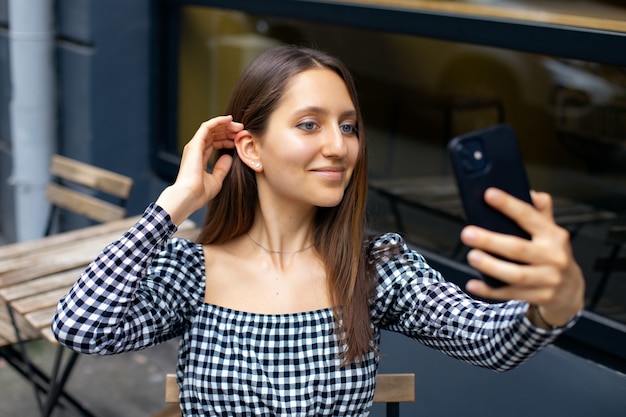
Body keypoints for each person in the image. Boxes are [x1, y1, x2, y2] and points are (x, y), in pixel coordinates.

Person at [52, 45, 584, 416]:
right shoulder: (193, 270)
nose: (339, 146)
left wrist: (557, 303)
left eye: (348, 125)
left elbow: (489, 342)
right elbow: (80, 328)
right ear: (251, 148)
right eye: (310, 124)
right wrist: (175, 203)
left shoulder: (376, 267)